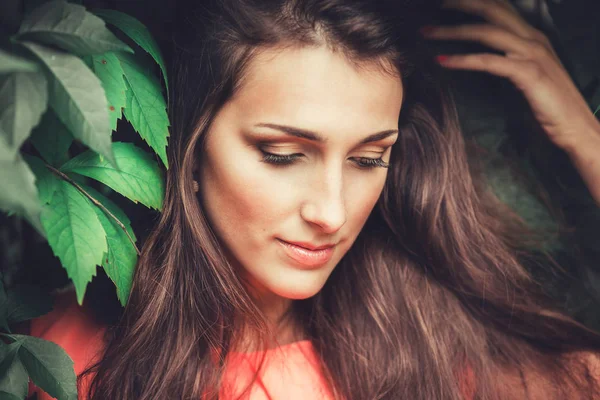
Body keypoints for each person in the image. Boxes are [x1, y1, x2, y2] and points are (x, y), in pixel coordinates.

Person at [27, 0, 600, 399]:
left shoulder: (428, 339)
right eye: (282, 154)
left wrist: (586, 139)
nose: (332, 212)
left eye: (369, 159)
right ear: (187, 148)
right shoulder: (65, 356)